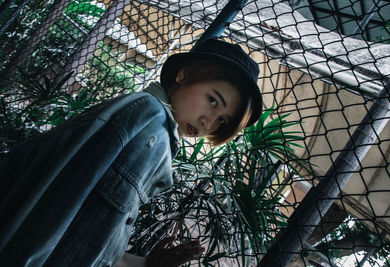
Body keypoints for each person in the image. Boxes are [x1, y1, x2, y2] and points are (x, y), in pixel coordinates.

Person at [0, 38, 262, 266]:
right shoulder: (149, 122)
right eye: (213, 100)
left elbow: (89, 231)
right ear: (184, 75)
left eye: (223, 121)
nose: (209, 122)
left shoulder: (153, 128)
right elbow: (56, 216)